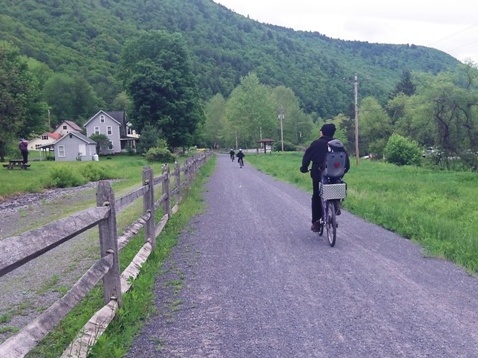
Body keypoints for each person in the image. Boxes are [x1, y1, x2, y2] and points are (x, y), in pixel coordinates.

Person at [300, 123, 350, 232]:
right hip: (336, 174)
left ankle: (317, 222)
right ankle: (335, 203)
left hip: (318, 174)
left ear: (322, 132)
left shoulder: (316, 144)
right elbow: (346, 162)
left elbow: (306, 158)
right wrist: (343, 172)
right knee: (335, 184)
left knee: (317, 195)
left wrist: (303, 168)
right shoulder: (338, 145)